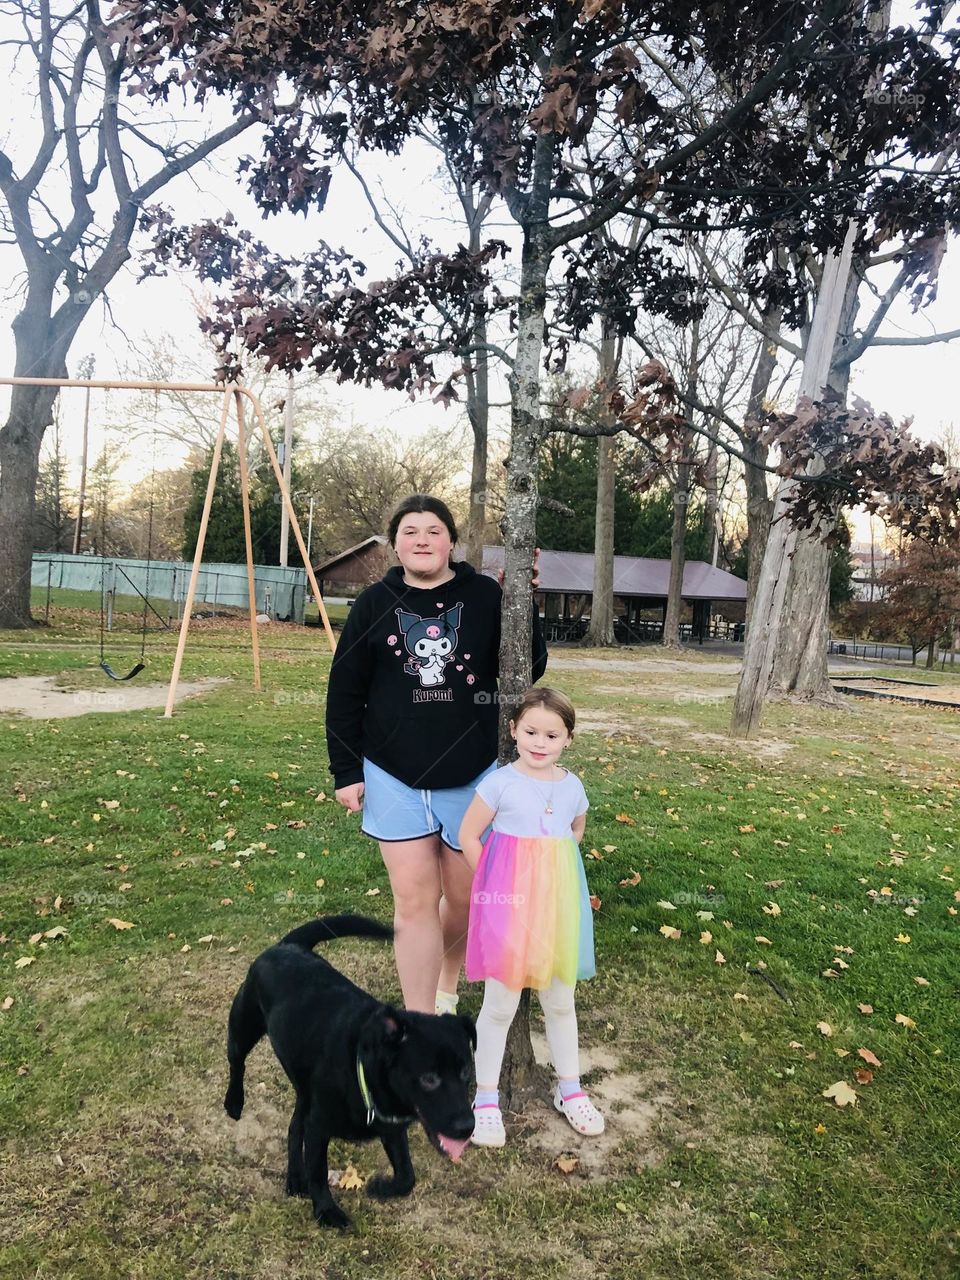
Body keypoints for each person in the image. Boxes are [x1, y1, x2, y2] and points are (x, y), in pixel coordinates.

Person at [326, 494, 547, 1014]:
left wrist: (526, 604)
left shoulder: (484, 596)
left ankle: (447, 985)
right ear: (395, 544)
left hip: (470, 777)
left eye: (432, 530)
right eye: (409, 531)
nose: (421, 540)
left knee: (466, 900)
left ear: (451, 541)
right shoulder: (374, 604)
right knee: (414, 904)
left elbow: (528, 665)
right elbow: (344, 691)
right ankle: (420, 1021)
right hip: (392, 776)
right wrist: (346, 770)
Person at [459, 686, 603, 1146]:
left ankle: (570, 1089)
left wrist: (554, 871)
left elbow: (575, 828)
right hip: (507, 907)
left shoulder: (572, 786)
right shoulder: (500, 783)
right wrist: (492, 882)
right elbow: (468, 834)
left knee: (560, 1000)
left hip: (557, 909)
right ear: (513, 731)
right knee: (500, 1004)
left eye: (552, 735)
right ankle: (485, 1100)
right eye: (531, 731)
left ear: (568, 739)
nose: (540, 743)